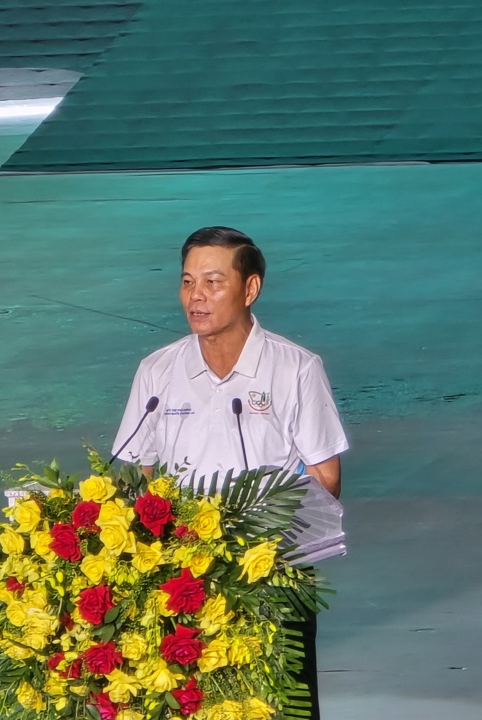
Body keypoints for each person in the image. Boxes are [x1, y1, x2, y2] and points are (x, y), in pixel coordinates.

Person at [112, 226, 349, 720]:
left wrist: (269, 544)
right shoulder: (157, 372)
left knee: (282, 707)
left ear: (250, 288)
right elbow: (136, 476)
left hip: (269, 576)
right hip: (181, 580)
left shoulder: (295, 369)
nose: (196, 296)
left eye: (213, 282)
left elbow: (325, 476)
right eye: (187, 282)